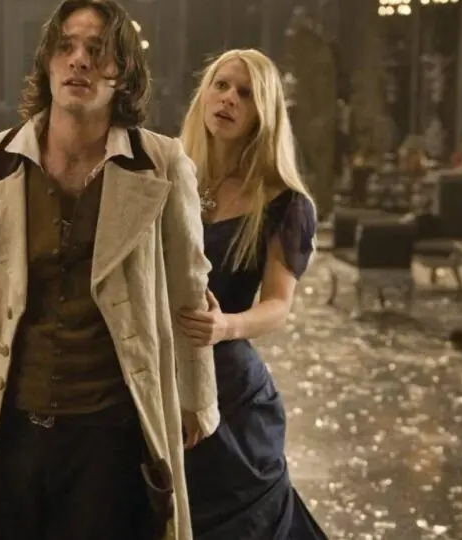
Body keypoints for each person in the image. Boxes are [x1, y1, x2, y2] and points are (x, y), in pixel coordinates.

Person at [0, 1, 220, 539]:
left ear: (122, 71)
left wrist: (196, 398)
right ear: (48, 62)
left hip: (110, 431)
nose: (79, 60)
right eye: (67, 47)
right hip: (10, 424)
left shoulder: (161, 163)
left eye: (97, 50)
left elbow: (188, 289)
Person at [175, 49, 329, 540]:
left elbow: (278, 305)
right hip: (156, 379)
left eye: (245, 93)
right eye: (221, 85)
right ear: (204, 94)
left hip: (230, 392)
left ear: (263, 113)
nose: (229, 99)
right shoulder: (168, 178)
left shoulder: (284, 202)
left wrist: (226, 326)